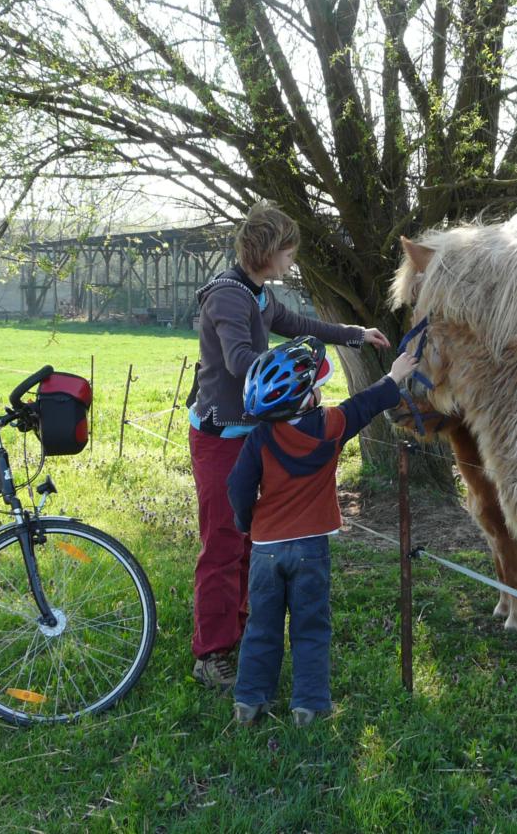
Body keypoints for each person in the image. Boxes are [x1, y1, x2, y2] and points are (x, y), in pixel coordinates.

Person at [188, 201, 390, 690]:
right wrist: (296, 380)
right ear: (268, 250)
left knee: (249, 537)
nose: (292, 260)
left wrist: (354, 335)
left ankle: (236, 630)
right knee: (222, 543)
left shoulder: (255, 295)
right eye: (288, 251)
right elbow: (240, 361)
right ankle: (212, 652)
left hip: (251, 434)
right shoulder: (228, 298)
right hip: (221, 438)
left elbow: (301, 325)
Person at [227, 337, 419, 725]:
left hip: (265, 551)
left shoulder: (260, 439)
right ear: (305, 398)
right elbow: (363, 406)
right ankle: (309, 707)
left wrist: (247, 523)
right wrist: (395, 376)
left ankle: (249, 701)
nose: (319, 391)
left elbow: (237, 488)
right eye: (315, 386)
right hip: (311, 550)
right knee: (311, 627)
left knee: (261, 627)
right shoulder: (331, 427)